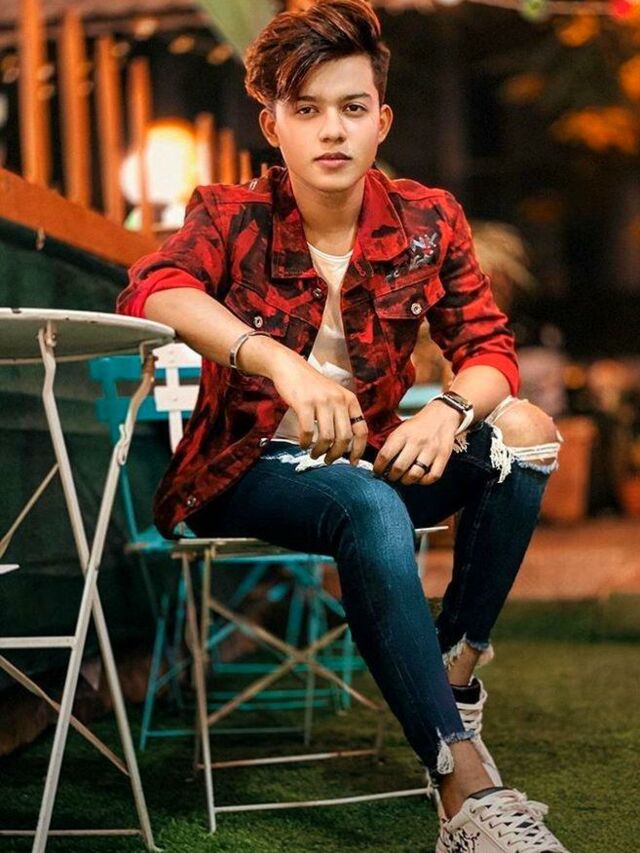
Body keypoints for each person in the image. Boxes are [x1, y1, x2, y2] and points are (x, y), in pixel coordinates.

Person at [117, 1, 566, 849]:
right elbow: (154, 290)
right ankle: (464, 793)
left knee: (525, 432)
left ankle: (453, 670)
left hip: (370, 458)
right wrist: (279, 363)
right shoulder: (230, 213)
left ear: (380, 120)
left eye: (353, 108)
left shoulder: (428, 219)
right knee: (368, 503)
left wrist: (447, 412)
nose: (333, 130)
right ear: (274, 125)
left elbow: (489, 349)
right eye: (308, 109)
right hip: (244, 471)